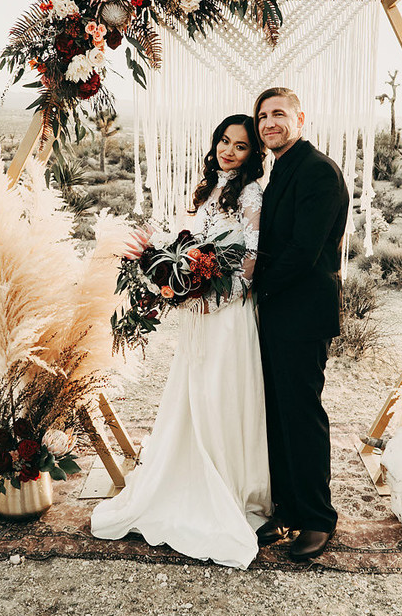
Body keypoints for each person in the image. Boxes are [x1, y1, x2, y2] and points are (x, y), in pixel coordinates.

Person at [91, 114, 272, 569]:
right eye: (224, 142)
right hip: (201, 311)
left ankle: (227, 482)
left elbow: (251, 255)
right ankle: (183, 473)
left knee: (220, 391)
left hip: (228, 314)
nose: (229, 151)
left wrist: (221, 298)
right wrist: (162, 255)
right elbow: (198, 244)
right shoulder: (211, 188)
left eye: (241, 146)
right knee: (193, 391)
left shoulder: (250, 193)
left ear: (254, 154)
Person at [253, 87, 349, 561]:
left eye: (278, 114)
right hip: (275, 312)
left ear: (300, 118)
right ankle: (286, 509)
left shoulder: (318, 172)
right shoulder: (280, 169)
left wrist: (252, 285)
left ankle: (317, 518)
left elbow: (303, 252)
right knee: (276, 413)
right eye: (263, 116)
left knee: (302, 414)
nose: (269, 123)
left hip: (301, 312)